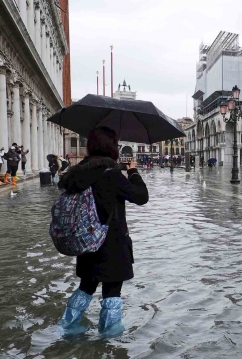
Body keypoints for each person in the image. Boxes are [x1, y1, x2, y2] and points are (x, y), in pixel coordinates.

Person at [58, 126, 148, 337]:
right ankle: (109, 337)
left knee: (86, 286)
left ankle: (68, 327)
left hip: (85, 241)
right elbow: (141, 196)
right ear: (111, 148)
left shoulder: (77, 174)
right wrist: (133, 171)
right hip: (112, 243)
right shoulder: (111, 175)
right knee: (112, 291)